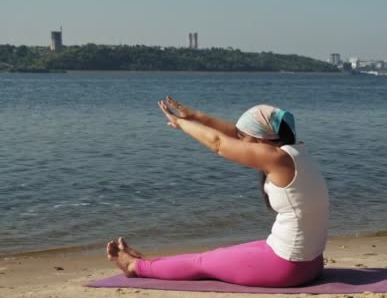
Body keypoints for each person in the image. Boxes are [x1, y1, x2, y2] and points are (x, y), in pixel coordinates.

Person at [106, 97, 330, 287]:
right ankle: (151, 264)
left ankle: (134, 266)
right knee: (218, 255)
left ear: (262, 140)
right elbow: (234, 133)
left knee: (202, 262)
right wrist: (196, 116)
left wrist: (181, 123)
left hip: (288, 268)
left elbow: (219, 143)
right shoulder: (295, 151)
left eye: (243, 137)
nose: (238, 140)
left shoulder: (276, 158)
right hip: (310, 263)